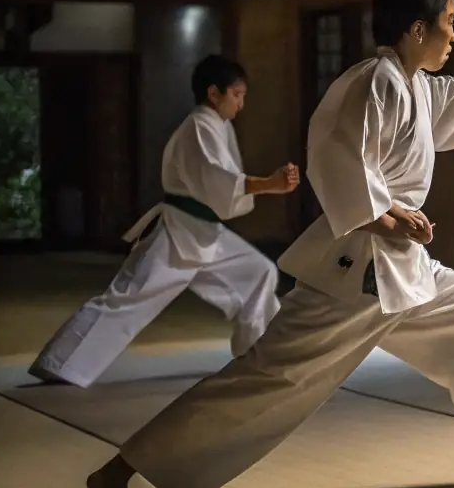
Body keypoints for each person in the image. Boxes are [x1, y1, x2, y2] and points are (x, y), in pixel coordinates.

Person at [86, 0, 454, 488]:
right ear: (417, 28)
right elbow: (335, 159)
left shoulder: (413, 86)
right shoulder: (372, 82)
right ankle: (120, 472)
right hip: (357, 271)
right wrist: (387, 218)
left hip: (404, 269)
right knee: (269, 380)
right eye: (449, 21)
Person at [30, 55, 299, 388]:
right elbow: (217, 179)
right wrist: (268, 184)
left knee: (259, 272)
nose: (241, 103)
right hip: (177, 231)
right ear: (214, 93)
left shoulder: (217, 125)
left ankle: (258, 357)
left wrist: (266, 184)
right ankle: (61, 362)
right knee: (129, 297)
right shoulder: (199, 126)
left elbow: (221, 184)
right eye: (237, 94)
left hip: (204, 233)